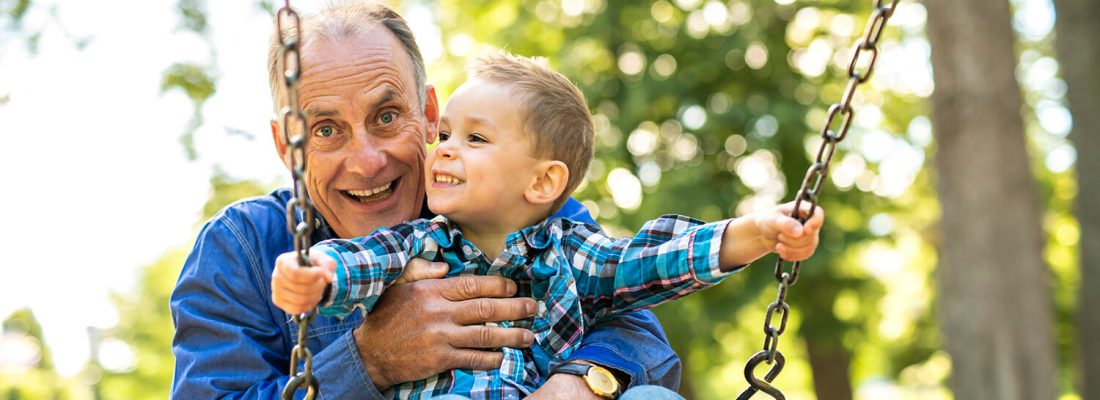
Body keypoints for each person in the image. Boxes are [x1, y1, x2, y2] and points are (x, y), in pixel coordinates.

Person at [169, 2, 682, 399]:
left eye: (387, 116)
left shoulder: (503, 201)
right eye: (327, 130)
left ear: (430, 114)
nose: (367, 161)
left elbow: (636, 325)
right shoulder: (243, 247)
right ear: (289, 148)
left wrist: (579, 382)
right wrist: (369, 360)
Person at [271, 52, 825, 399]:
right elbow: (363, 260)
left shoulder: (572, 252)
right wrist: (315, 271)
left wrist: (756, 233)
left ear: (541, 184)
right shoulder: (419, 241)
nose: (443, 152)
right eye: (444, 137)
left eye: (475, 139)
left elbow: (652, 260)